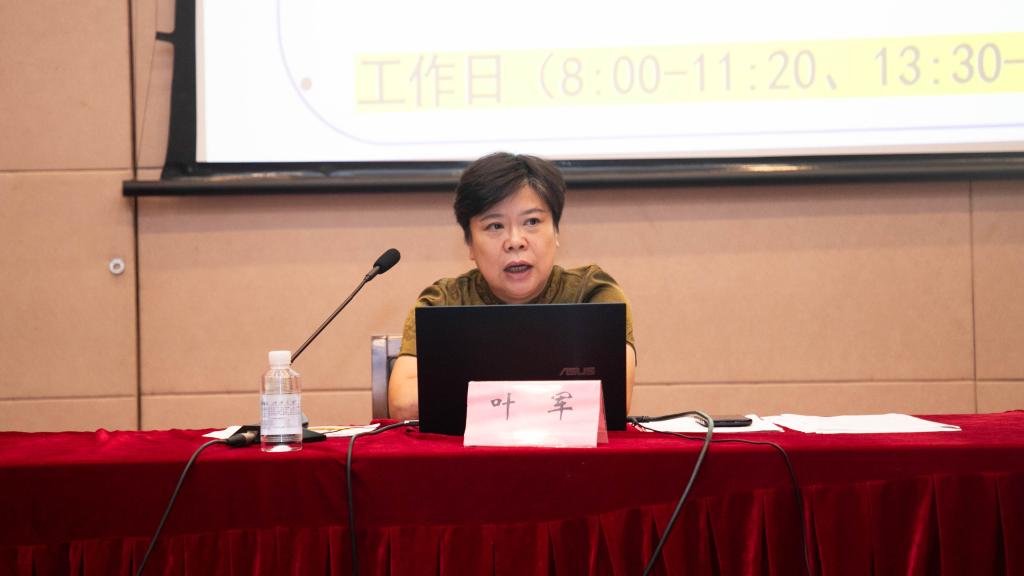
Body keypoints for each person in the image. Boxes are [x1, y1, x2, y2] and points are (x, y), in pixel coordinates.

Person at [387, 152, 637, 420]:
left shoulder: (592, 295)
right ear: (469, 244)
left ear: (556, 231)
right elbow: (403, 405)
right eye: (495, 225)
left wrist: (471, 390)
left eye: (532, 222)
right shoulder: (443, 303)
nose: (515, 241)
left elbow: (610, 400)